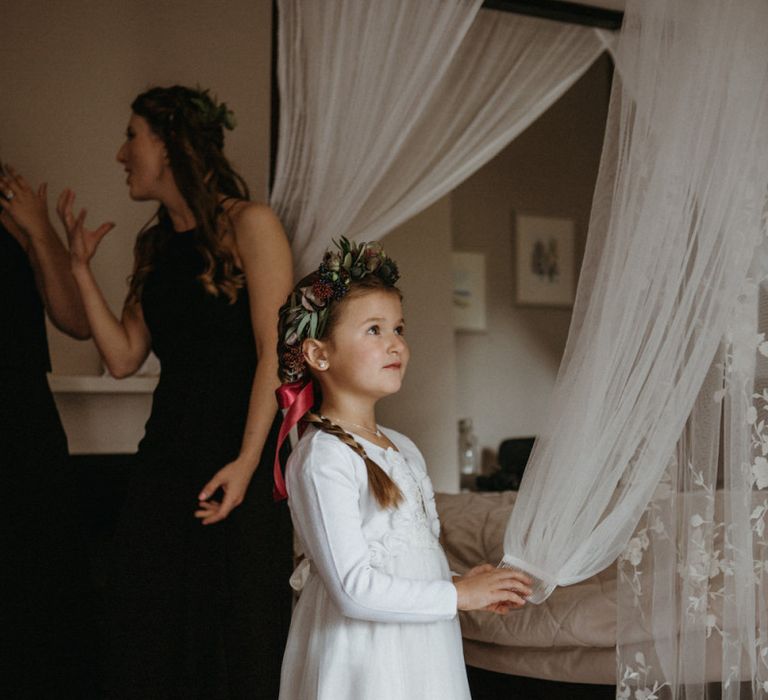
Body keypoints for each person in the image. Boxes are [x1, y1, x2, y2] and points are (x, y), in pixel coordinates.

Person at [57, 86, 294, 698]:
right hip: (164, 461)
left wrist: (246, 465)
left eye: (131, 135)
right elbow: (121, 357)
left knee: (238, 636)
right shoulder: (155, 244)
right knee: (148, 630)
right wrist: (81, 270)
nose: (120, 153)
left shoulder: (253, 225)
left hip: (241, 456)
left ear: (168, 143)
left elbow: (278, 353)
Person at [273, 237, 532, 699]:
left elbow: (406, 559)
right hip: (363, 659)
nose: (395, 343)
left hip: (421, 646)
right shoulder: (322, 458)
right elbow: (354, 589)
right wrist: (458, 598)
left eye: (399, 328)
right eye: (374, 330)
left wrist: (455, 582)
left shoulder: (405, 449)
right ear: (318, 354)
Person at [0, 163, 97, 697]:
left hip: (20, 413)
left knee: (38, 572)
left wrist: (38, 228)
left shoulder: (10, 202)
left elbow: (77, 320)